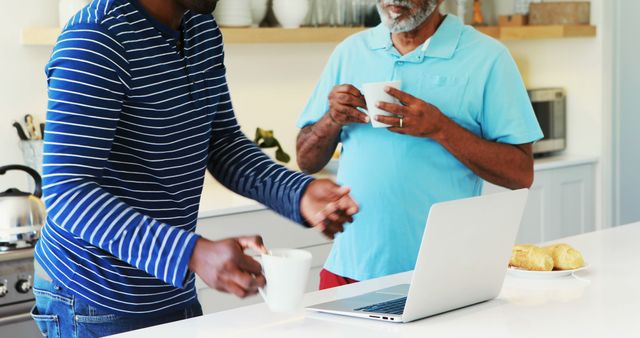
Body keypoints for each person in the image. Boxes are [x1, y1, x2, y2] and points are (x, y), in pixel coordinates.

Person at [32, 0, 359, 336]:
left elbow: (223, 144)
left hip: (171, 287)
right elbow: (67, 191)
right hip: (96, 300)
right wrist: (192, 252)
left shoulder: (200, 29)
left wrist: (299, 192)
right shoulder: (96, 38)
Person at [296, 0, 544, 289]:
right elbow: (306, 159)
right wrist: (331, 119)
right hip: (347, 270)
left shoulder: (488, 58)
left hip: (442, 277)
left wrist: (440, 128)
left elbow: (521, 173)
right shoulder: (350, 52)